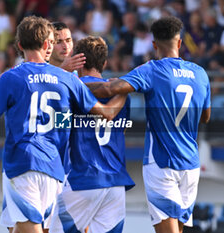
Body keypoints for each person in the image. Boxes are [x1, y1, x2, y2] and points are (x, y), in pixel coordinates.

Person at [0, 16, 127, 233]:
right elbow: (103, 112)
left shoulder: (11, 78)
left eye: (68, 40)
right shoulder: (69, 80)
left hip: (25, 164)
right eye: (58, 41)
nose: (64, 45)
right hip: (53, 169)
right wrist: (126, 86)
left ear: (19, 45)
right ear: (48, 44)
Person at [85, 16, 211, 233]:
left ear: (154, 45)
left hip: (162, 162)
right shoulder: (200, 73)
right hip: (190, 164)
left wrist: (72, 85)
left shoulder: (152, 70)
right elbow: (205, 117)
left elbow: (108, 90)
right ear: (179, 43)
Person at [49, 36, 135, 233]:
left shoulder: (70, 89)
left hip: (82, 178)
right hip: (115, 184)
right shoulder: (120, 94)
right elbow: (119, 128)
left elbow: (59, 128)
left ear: (80, 61)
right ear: (104, 63)